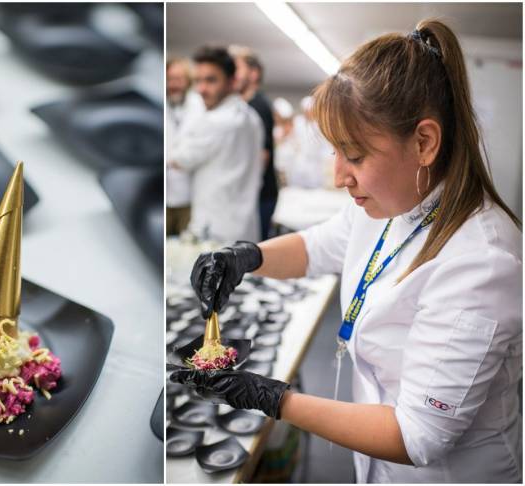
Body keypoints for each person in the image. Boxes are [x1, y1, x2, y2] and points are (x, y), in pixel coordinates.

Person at [173, 19, 522, 483]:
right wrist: (245, 257)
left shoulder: (482, 260)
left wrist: (273, 399)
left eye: (354, 155)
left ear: (424, 142)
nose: (339, 176)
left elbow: (416, 435)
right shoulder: (395, 202)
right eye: (335, 152)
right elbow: (318, 246)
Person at [168, 46, 263, 243]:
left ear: (232, 81)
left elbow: (177, 160)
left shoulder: (214, 122)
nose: (202, 89)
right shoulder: (252, 118)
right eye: (198, 81)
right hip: (245, 228)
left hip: (214, 231)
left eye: (211, 80)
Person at [230, 45, 278, 241]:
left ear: (254, 73)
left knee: (251, 252)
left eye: (236, 68)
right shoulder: (240, 105)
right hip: (246, 195)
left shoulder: (258, 106)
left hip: (258, 196)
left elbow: (262, 155)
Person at [166, 57, 204, 236]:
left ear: (187, 81)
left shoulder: (198, 106)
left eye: (179, 79)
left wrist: (178, 160)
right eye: (170, 79)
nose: (174, 84)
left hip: (190, 194)